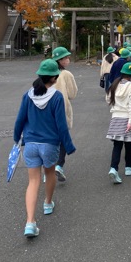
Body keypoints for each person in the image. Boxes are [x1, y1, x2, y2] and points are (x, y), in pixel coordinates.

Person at [13, 59, 76, 238]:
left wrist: (17, 138)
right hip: (50, 144)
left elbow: (19, 120)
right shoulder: (56, 97)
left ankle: (30, 222)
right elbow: (61, 125)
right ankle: (48, 203)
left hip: (31, 145)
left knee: (33, 182)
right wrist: (69, 146)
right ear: (55, 78)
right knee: (49, 174)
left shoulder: (28, 95)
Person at [106, 62, 131, 184]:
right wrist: (130, 121)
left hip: (115, 118)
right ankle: (128, 167)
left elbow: (108, 99)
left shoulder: (114, 84)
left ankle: (113, 168)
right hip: (127, 118)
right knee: (129, 144)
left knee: (117, 146)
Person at [51, 46, 78, 182]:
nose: (68, 59)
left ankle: (47, 170)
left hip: (46, 110)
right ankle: (59, 165)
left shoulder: (46, 72)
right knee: (62, 138)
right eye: (66, 57)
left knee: (49, 139)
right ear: (60, 60)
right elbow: (72, 94)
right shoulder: (66, 74)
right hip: (62, 109)